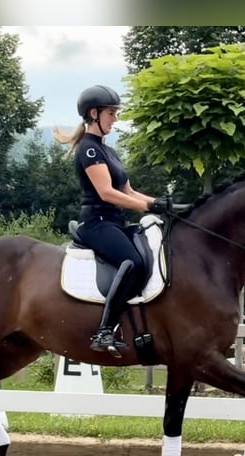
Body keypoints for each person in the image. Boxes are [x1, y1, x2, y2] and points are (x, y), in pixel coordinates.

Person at [54, 85, 170, 356]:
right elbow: (107, 193)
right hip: (98, 222)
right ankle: (105, 330)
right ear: (94, 114)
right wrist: (149, 205)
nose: (115, 119)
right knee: (134, 263)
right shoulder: (89, 150)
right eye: (111, 113)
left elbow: (128, 191)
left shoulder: (110, 151)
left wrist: (163, 205)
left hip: (116, 222)